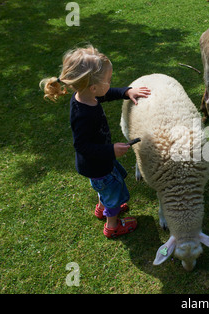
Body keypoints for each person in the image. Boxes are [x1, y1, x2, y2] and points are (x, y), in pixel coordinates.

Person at [40, 45, 151, 238]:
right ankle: (113, 225)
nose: (110, 83)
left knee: (105, 189)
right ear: (93, 87)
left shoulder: (85, 97)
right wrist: (110, 150)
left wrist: (126, 92)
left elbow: (106, 94)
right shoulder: (83, 114)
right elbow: (81, 146)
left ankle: (102, 208)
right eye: (108, 80)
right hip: (98, 165)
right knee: (113, 192)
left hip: (99, 162)